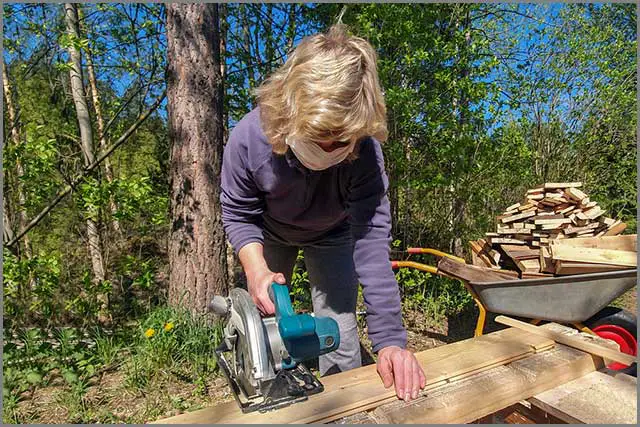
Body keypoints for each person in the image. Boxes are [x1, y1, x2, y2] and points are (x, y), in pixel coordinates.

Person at [220, 24, 426, 402]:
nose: (331, 149)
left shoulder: (364, 151)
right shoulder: (250, 137)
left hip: (335, 233)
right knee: (266, 325)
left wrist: (392, 341)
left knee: (340, 330)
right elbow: (237, 212)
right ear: (290, 114)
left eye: (341, 141)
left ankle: (341, 408)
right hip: (270, 233)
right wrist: (256, 269)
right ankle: (268, 400)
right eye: (320, 138)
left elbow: (371, 239)